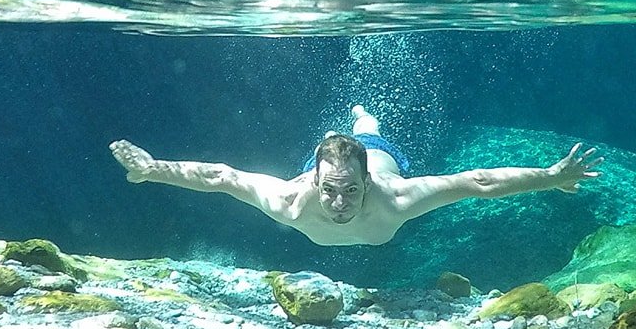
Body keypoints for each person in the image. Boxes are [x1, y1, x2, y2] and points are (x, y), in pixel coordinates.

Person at [108, 104, 600, 247]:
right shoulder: (292, 199)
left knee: (370, 135)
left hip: (379, 156)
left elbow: (478, 182)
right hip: (319, 164)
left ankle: (364, 126)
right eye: (330, 191)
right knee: (340, 145)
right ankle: (345, 133)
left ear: (363, 187)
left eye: (348, 191)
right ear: (315, 184)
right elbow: (221, 176)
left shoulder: (396, 198)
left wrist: (551, 176)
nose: (339, 203)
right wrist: (155, 170)